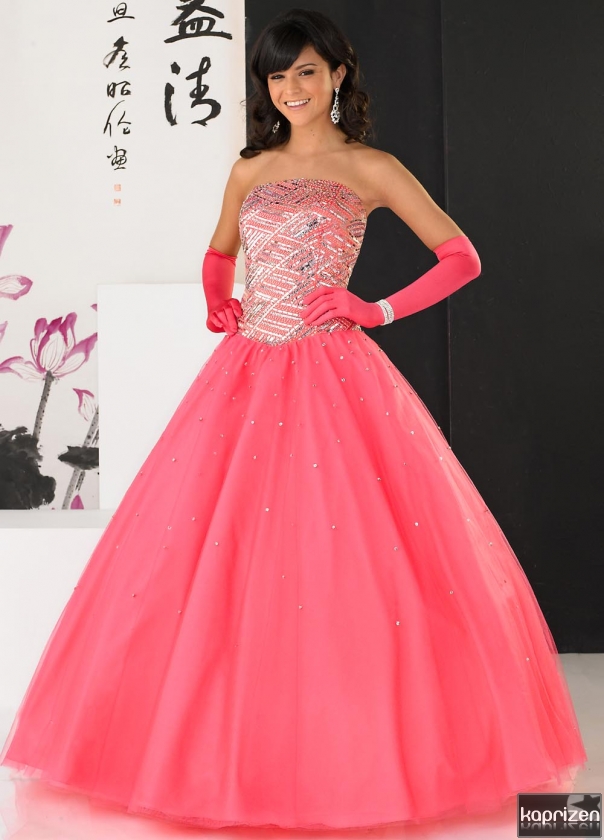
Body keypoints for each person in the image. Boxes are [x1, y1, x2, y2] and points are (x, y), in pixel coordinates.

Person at [0, 7, 587, 833]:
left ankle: (360, 760)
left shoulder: (371, 168)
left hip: (333, 373)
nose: (292, 88)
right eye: (277, 76)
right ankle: (226, 756)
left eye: (306, 71)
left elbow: (462, 257)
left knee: (344, 561)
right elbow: (219, 252)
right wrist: (217, 299)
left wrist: (375, 309)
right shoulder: (252, 167)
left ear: (339, 74)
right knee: (220, 559)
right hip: (246, 374)